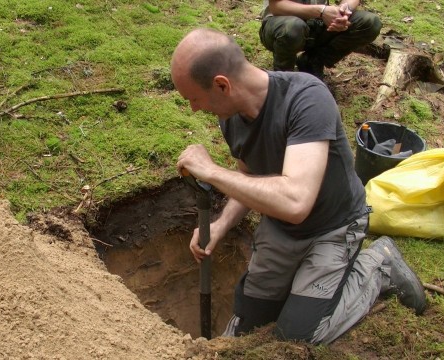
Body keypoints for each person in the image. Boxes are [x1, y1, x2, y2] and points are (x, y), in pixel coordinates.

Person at [172, 28, 426, 344]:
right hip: (281, 231)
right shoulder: (231, 117)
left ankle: (379, 265)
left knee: (297, 336)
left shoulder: (306, 99)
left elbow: (295, 203)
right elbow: (248, 180)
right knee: (247, 327)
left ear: (222, 85)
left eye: (193, 98)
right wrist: (221, 224)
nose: (195, 109)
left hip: (332, 229)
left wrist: (211, 171)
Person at [259, 0, 382, 78]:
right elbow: (276, 6)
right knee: (293, 28)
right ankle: (283, 79)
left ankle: (313, 61)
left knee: (370, 23)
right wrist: (321, 11)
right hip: (279, 25)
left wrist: (344, 12)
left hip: (319, 24)